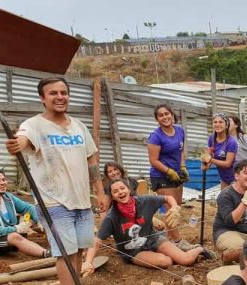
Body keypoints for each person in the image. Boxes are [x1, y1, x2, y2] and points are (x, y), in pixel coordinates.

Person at [5, 76, 109, 285]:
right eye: (53, 93)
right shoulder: (34, 125)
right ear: (43, 98)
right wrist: (16, 144)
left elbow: (92, 161)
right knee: (64, 252)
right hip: (53, 201)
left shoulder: (78, 127)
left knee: (79, 249)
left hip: (81, 199)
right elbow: (23, 139)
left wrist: (101, 192)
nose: (60, 97)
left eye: (64, 92)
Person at [84, 179, 212, 272]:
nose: (120, 192)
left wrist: (174, 207)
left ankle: (200, 249)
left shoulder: (144, 201)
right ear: (112, 196)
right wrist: (88, 262)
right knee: (165, 262)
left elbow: (167, 198)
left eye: (122, 188)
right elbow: (97, 241)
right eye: (115, 191)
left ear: (129, 190)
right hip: (134, 251)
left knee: (186, 260)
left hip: (153, 239)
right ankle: (172, 252)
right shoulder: (112, 217)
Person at [147, 104, 195, 250]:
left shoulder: (180, 131)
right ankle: (177, 241)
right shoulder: (155, 137)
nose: (165, 117)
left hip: (176, 174)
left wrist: (182, 167)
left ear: (172, 115)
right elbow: (153, 160)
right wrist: (169, 171)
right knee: (170, 209)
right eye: (160, 115)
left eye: (167, 114)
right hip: (161, 176)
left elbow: (181, 151)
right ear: (157, 119)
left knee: (177, 208)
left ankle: (168, 239)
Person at [204, 112, 238, 190]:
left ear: (226, 125)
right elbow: (210, 155)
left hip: (235, 177)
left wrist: (210, 159)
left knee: (234, 200)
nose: (217, 124)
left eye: (220, 122)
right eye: (215, 122)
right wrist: (206, 164)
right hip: (224, 178)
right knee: (223, 200)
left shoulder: (231, 142)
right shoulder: (211, 139)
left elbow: (227, 164)